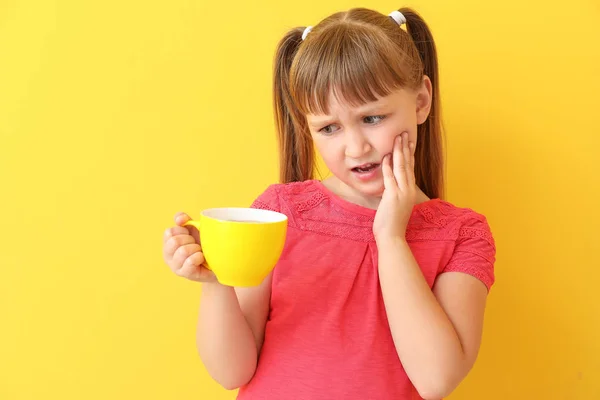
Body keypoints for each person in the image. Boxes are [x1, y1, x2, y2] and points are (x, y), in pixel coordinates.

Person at [162, 6, 496, 400]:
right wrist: (216, 283)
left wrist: (390, 237)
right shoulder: (279, 212)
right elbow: (231, 370)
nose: (355, 147)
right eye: (329, 128)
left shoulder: (462, 234)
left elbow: (436, 379)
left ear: (421, 101)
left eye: (372, 118)